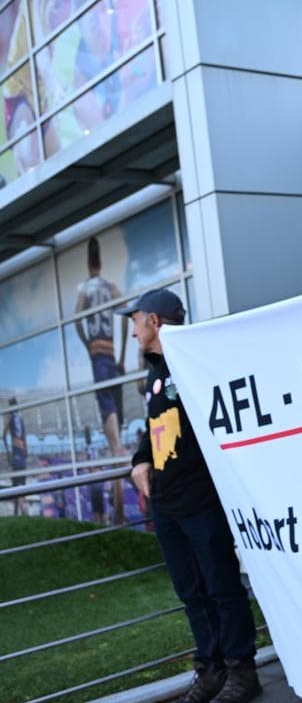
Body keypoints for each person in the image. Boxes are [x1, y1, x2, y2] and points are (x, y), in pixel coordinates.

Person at [122, 289, 261, 703]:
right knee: (190, 591)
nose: (132, 332)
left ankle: (242, 670)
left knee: (221, 585)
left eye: (136, 321)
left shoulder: (195, 362)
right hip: (166, 502)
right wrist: (140, 460)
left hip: (201, 498)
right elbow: (155, 427)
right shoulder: (154, 372)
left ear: (156, 322)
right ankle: (211, 667)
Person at [75, 235, 127, 522]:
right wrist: (121, 351)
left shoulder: (86, 288)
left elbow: (75, 319)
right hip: (111, 354)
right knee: (114, 441)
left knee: (115, 446)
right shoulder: (111, 287)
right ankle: (118, 512)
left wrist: (86, 345)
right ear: (101, 261)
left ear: (87, 261)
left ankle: (118, 513)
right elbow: (126, 310)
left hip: (98, 355)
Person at [3, 398, 27, 515]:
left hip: (17, 453)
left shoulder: (11, 417)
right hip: (21, 454)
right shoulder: (20, 419)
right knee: (21, 484)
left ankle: (19, 512)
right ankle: (21, 512)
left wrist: (8, 452)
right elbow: (24, 438)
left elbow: (4, 434)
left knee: (17, 485)